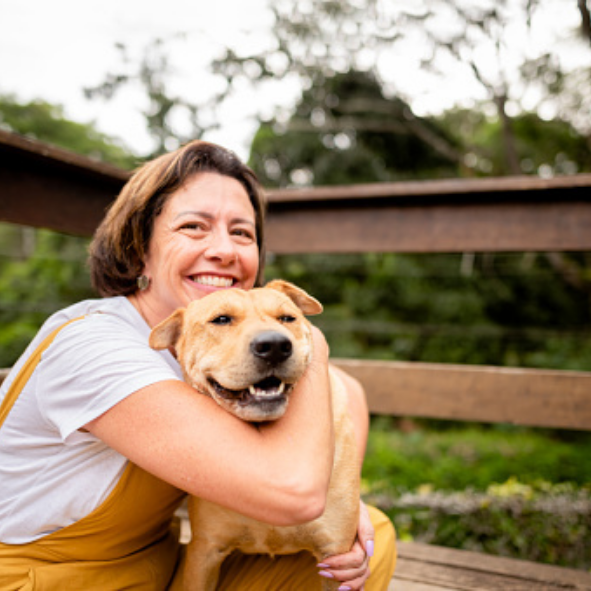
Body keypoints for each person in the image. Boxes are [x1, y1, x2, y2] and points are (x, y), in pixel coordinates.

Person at [0, 140, 396, 590]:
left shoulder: (213, 350)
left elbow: (350, 392)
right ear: (139, 248)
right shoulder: (94, 347)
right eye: (194, 227)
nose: (225, 251)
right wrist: (309, 338)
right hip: (49, 581)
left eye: (243, 234)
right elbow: (294, 494)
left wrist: (341, 498)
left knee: (371, 535)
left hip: (162, 570)